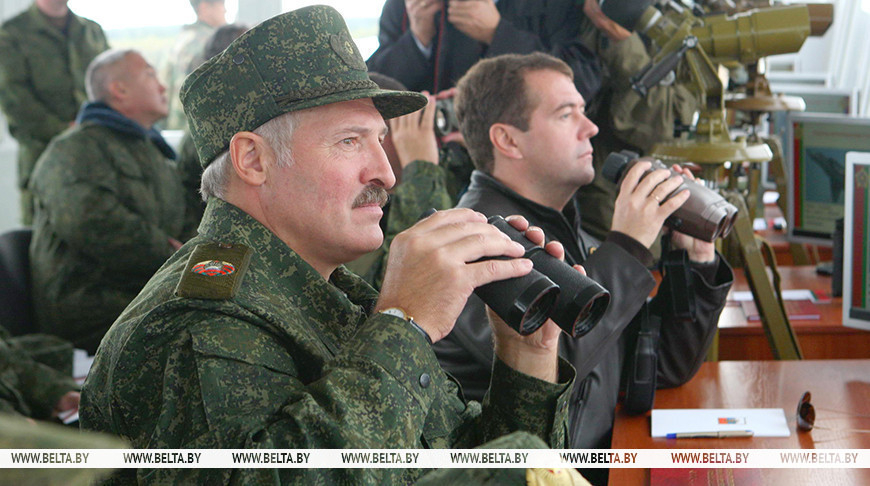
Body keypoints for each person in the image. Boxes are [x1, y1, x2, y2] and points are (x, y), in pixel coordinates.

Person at [80, 7, 578, 484]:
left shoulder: (326, 293)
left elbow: (466, 466)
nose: (384, 172)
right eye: (349, 141)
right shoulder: (195, 322)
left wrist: (525, 356)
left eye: (380, 140)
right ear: (253, 159)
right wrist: (403, 324)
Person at [437, 52, 733, 485]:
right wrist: (629, 246)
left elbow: (659, 368)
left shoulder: (573, 237)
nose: (590, 126)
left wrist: (693, 257)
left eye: (584, 110)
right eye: (565, 113)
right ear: (509, 140)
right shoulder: (475, 245)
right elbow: (554, 368)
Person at [28, 49, 193, 354]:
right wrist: (175, 257)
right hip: (94, 306)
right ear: (119, 89)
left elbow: (183, 215)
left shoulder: (154, 153)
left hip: (147, 294)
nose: (162, 86)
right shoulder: (75, 148)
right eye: (150, 74)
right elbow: (89, 221)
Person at [573, 0, 699, 243]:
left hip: (624, 207)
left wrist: (624, 46)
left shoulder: (681, 18)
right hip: (571, 198)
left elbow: (665, 125)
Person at [346, 72, 473, 288]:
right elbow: (391, 288)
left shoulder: (441, 171)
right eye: (380, 136)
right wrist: (421, 169)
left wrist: (476, 146)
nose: (415, 137)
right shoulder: (346, 209)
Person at [0, 0, 109, 225]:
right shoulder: (11, 34)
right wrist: (66, 130)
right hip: (43, 159)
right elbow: (15, 101)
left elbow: (112, 83)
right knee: (47, 239)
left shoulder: (91, 31)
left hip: (98, 156)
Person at [366, 0, 601, 100]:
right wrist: (417, 40)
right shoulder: (408, 6)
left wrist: (498, 34)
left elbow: (583, 81)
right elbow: (373, 90)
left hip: (517, 161)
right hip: (429, 159)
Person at [162, 0, 227, 130]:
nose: (225, 10)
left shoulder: (180, 39)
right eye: (221, 4)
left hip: (174, 126)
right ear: (204, 7)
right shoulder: (212, 41)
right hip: (197, 129)